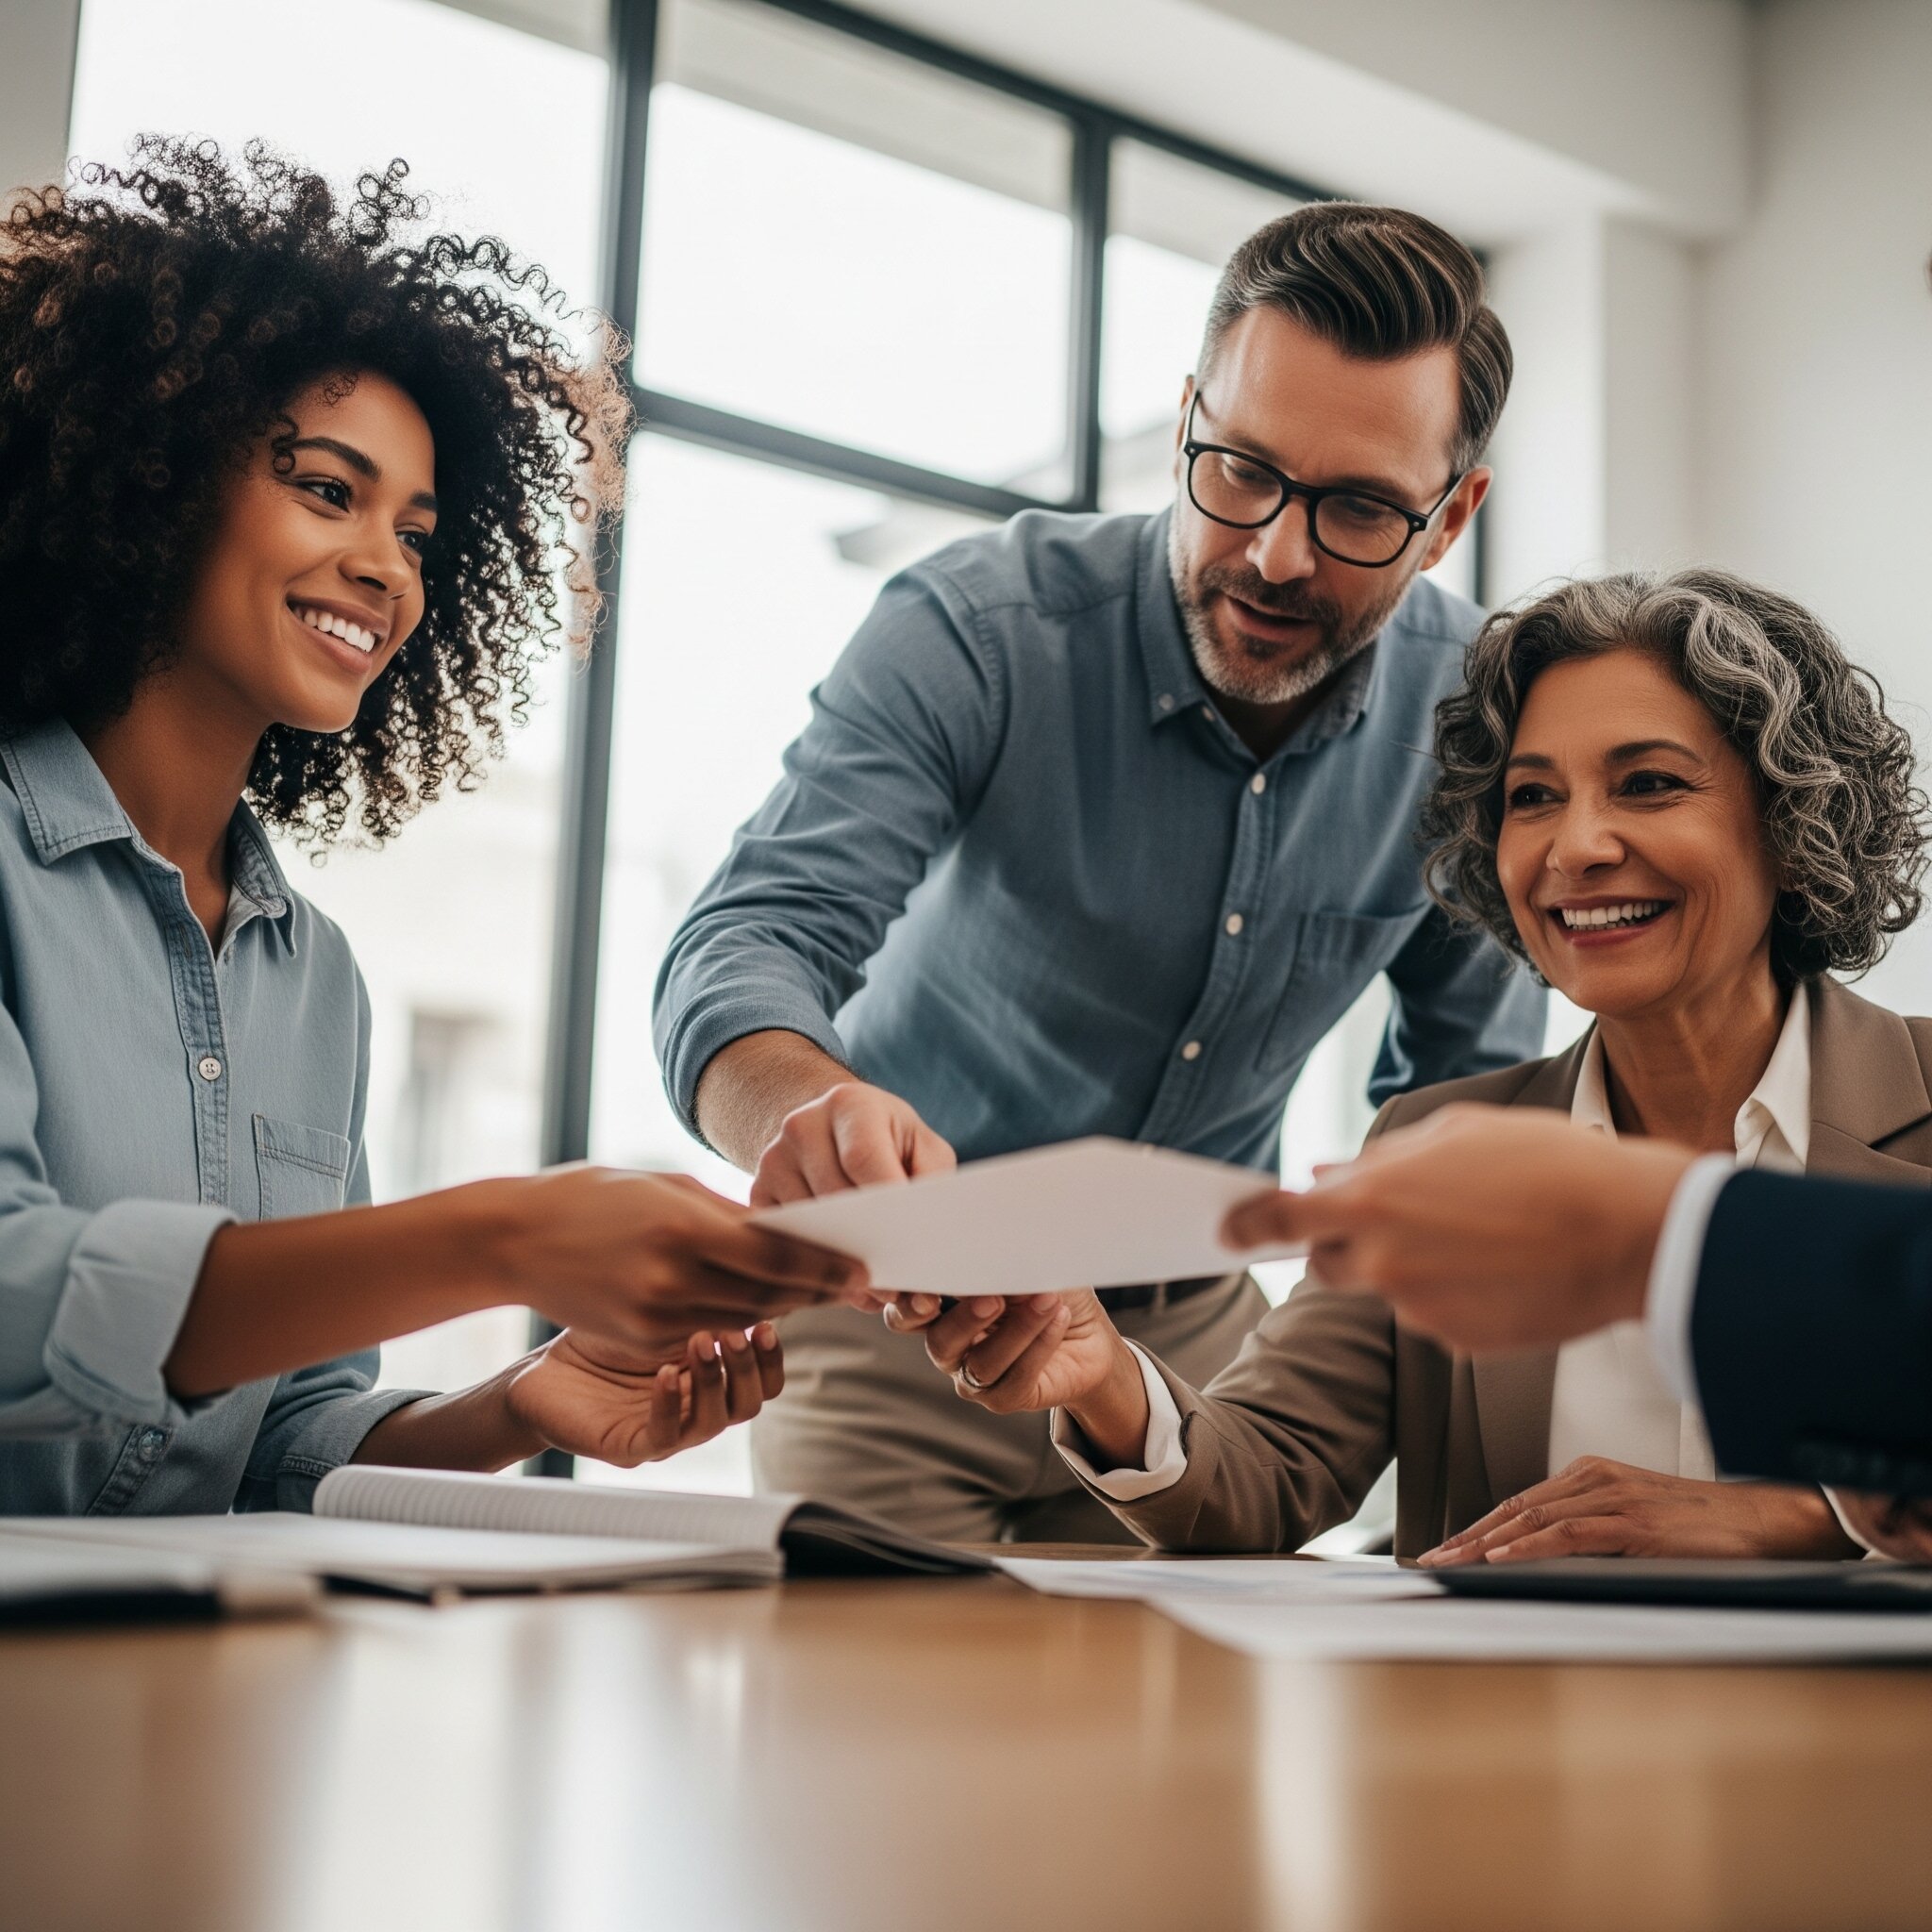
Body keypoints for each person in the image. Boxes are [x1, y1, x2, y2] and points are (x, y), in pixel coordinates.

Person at [654, 201, 1544, 1541]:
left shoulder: (1476, 731)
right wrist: (807, 1111)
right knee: (868, 1733)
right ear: (1187, 420)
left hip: (1199, 1356)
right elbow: (752, 938)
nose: (1275, 552)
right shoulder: (977, 627)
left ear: (1452, 516)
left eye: (1359, 508)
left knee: (1178, 1745)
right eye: (1239, 469)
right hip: (897, 1324)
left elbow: (1462, 1113)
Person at [0, 141, 864, 1517]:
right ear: (151, 479)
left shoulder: (313, 978)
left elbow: (285, 1439)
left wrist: (518, 1404)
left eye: (417, 532)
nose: (386, 569)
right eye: (328, 491)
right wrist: (507, 1234)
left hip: (184, 1681)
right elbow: (15, 1306)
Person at [925, 569, 1931, 1563]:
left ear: (1797, 824)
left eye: (1649, 783)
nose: (1573, 845)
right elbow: (1265, 1475)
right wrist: (1100, 1371)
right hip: (1501, 1725)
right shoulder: (1432, 1142)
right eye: (1531, 796)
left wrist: (1814, 1517)